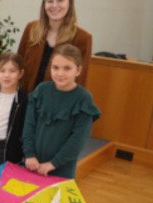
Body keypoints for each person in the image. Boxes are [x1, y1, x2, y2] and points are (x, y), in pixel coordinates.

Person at [23, 45, 100, 179]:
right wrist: (29, 154)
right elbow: (29, 125)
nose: (60, 73)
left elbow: (78, 139)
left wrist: (54, 163)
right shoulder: (41, 90)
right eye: (55, 67)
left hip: (61, 168)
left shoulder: (84, 99)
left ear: (78, 70)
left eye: (67, 68)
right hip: (32, 164)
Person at [17, 0, 92, 93]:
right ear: (44, 4)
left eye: (60, 0)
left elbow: (80, 79)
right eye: (50, 1)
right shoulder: (31, 28)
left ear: (70, 3)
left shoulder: (82, 38)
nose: (54, 5)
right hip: (27, 101)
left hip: (58, 104)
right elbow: (19, 65)